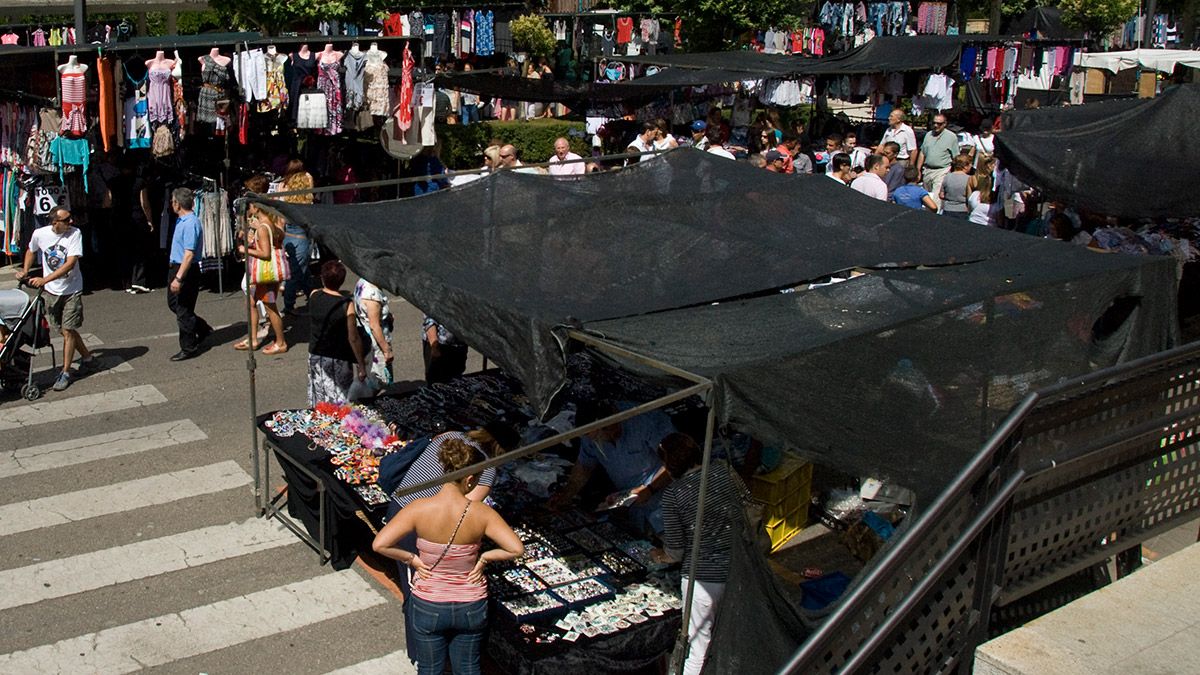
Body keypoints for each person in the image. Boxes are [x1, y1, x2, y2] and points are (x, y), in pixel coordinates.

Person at [373, 437, 524, 675]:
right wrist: (484, 559)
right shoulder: (482, 513)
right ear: (470, 479)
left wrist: (411, 559)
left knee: (430, 669)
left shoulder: (418, 508)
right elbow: (516, 548)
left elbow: (380, 544)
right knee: (468, 668)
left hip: (428, 603)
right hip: (471, 604)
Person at [652, 433, 749, 675]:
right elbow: (747, 503)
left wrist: (657, 555)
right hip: (739, 569)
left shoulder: (674, 495)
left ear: (670, 465)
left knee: (697, 647)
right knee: (735, 637)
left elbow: (675, 552)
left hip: (703, 578)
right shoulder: (725, 471)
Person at [385, 423, 520, 591]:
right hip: (419, 524)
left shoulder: (450, 435)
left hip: (398, 505)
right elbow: (465, 511)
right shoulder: (486, 468)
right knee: (419, 584)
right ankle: (416, 612)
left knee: (412, 575)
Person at [548, 400, 675, 535]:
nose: (597, 441)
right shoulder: (591, 436)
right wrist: (568, 493)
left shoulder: (646, 421)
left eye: (599, 436)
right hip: (634, 505)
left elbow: (675, 461)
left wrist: (650, 489)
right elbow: (585, 465)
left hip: (666, 501)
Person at [16, 207, 95, 390]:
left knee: (68, 330)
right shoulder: (40, 234)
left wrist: (45, 279)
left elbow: (70, 263)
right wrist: (26, 271)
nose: (71, 222)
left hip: (71, 289)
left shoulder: (75, 233)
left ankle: (65, 372)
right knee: (62, 329)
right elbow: (30, 250)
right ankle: (88, 358)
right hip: (52, 292)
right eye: (66, 220)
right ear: (55, 222)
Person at [235, 175, 288, 354]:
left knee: (270, 306)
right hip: (257, 264)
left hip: (266, 267)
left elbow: (278, 235)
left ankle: (280, 341)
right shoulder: (258, 216)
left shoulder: (272, 212)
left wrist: (263, 230)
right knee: (251, 301)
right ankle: (253, 338)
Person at [307, 261, 368, 404]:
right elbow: (353, 337)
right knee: (340, 398)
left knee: (319, 394)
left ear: (322, 277)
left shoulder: (314, 295)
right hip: (338, 357)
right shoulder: (346, 304)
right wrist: (361, 364)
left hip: (316, 354)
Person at [167, 188, 212, 362]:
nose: (171, 204)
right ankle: (201, 327)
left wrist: (179, 278)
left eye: (172, 201)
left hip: (185, 269)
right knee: (174, 304)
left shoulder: (190, 223)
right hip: (176, 267)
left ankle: (188, 346)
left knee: (183, 309)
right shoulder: (181, 220)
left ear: (177, 203)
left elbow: (189, 254)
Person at [277, 159, 315, 316]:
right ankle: (293, 303)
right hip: (302, 232)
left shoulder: (282, 185)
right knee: (297, 271)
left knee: (300, 269)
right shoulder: (307, 178)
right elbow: (311, 199)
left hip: (288, 231)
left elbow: (280, 210)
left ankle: (308, 298)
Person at [354, 276, 393, 396]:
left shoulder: (363, 281)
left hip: (364, 336)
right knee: (378, 378)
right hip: (375, 343)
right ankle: (366, 402)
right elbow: (374, 326)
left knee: (370, 375)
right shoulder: (372, 295)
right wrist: (386, 350)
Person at [915, 114, 958, 207]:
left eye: (939, 123)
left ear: (944, 124)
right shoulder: (928, 135)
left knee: (935, 199)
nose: (936, 125)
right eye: (934, 123)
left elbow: (956, 156)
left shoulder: (951, 137)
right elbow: (922, 153)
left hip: (942, 170)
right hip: (927, 170)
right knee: (926, 197)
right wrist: (918, 169)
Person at [423, 315, 468, 384]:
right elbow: (429, 320)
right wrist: (434, 347)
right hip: (439, 345)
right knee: (436, 381)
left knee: (456, 379)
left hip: (459, 344)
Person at [938, 154, 972, 219]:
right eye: (970, 165)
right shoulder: (969, 179)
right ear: (965, 166)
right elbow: (970, 198)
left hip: (947, 209)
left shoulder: (947, 177)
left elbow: (941, 195)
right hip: (963, 210)